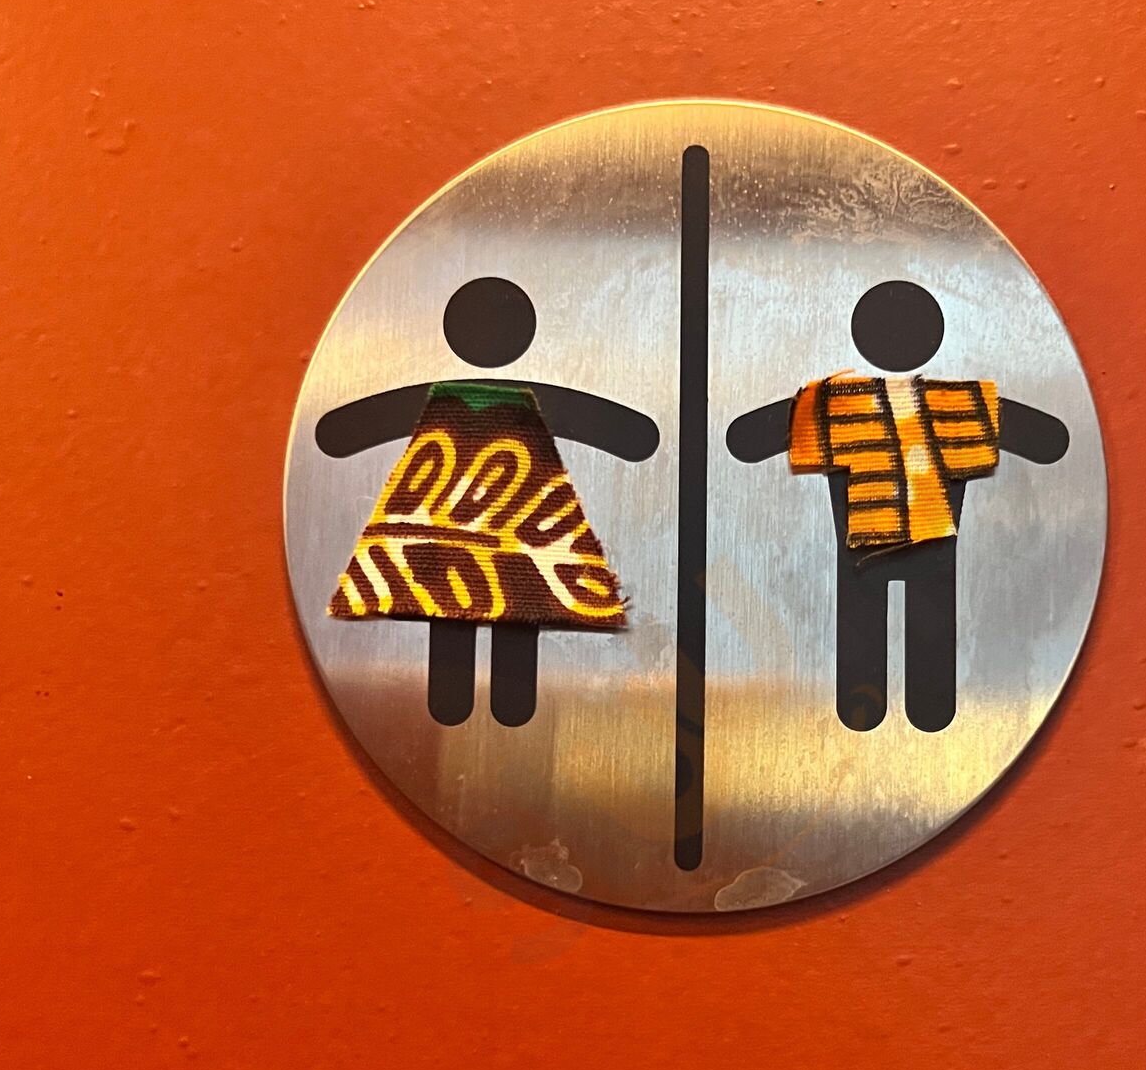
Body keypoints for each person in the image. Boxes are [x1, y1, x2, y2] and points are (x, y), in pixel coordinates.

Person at [726, 279, 1069, 733]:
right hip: (915, 548)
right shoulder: (957, 402)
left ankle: (874, 712)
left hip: (874, 548)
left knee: (874, 619)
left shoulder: (838, 404)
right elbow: (1048, 440)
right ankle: (921, 712)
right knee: (919, 620)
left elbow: (745, 439)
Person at [316, 275, 658, 728]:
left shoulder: (487, 391)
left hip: (511, 508)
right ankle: (460, 704)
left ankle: (501, 706)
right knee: (482, 600)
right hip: (456, 510)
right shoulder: (464, 391)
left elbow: (344, 428)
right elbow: (627, 430)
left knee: (513, 598)